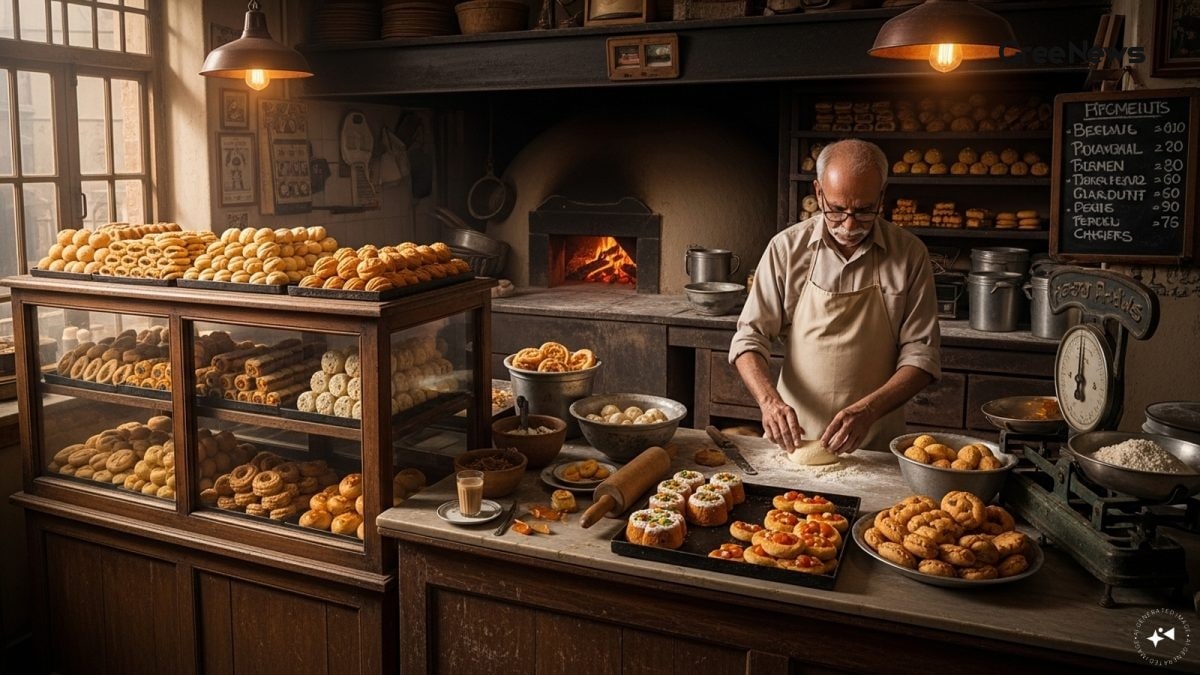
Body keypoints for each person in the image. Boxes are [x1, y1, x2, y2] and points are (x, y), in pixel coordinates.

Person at [730, 139, 940, 456]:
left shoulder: (909, 255)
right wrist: (769, 402)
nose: (850, 224)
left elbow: (921, 357)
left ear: (882, 196)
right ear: (818, 193)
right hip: (795, 442)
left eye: (865, 210)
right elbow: (749, 337)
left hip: (874, 443)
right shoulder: (787, 249)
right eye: (837, 210)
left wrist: (869, 410)